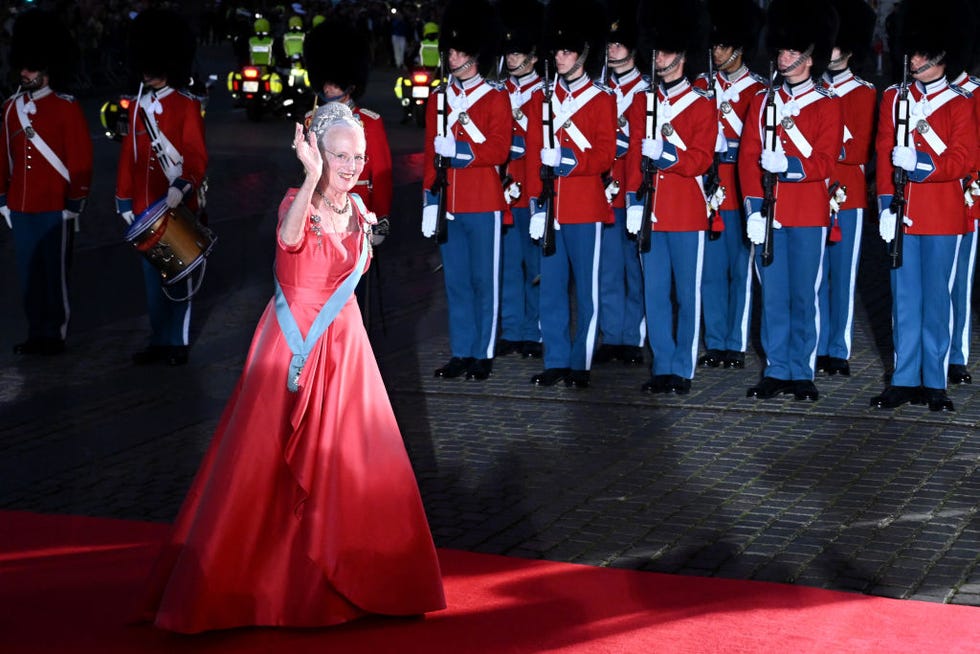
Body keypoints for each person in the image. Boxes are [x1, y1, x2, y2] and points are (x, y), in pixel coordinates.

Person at [135, 103, 445, 633]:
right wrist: (308, 179)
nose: (351, 167)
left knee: (356, 468)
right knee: (262, 469)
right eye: (340, 156)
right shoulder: (293, 203)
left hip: (347, 353)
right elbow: (288, 241)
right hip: (292, 345)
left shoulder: (360, 211)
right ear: (316, 153)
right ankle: (258, 587)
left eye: (359, 157)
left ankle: (366, 580)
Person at [870, 0, 977, 412]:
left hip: (942, 216)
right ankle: (902, 377)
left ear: (939, 54)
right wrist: (884, 205)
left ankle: (934, 380)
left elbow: (963, 158)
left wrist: (922, 164)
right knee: (903, 298)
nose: (912, 57)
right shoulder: (894, 99)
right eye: (910, 50)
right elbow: (883, 154)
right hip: (903, 213)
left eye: (919, 51)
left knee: (937, 300)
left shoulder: (959, 102)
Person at [738, 0, 842, 402]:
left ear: (809, 58)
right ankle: (776, 367)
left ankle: (802, 369)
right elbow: (748, 159)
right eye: (780, 50)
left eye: (790, 51)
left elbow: (826, 159)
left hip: (807, 213)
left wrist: (789, 165)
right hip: (770, 214)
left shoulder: (828, 103)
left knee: (803, 294)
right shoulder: (764, 101)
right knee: (773, 295)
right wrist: (754, 209)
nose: (782, 56)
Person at [524, 0, 616, 389]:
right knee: (552, 290)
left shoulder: (601, 98)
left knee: (588, 292)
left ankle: (581, 362)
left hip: (584, 206)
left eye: (567, 51)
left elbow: (605, 153)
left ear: (582, 54)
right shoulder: (541, 100)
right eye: (557, 51)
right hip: (551, 207)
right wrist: (534, 205)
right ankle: (557, 359)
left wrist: (568, 160)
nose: (559, 58)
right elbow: (531, 159)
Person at [624, 0, 715, 395]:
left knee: (687, 294)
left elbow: (701, 158)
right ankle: (662, 365)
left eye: (664, 51)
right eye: (655, 50)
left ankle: (683, 366)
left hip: (686, 211)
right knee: (654, 293)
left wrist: (668, 155)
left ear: (680, 54)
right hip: (651, 214)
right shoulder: (642, 103)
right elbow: (631, 160)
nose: (657, 57)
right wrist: (632, 201)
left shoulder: (701, 104)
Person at [422, 0, 510, 381]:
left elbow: (499, 148)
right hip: (448, 204)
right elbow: (429, 153)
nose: (451, 56)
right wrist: (428, 199)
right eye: (450, 50)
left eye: (457, 50)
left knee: (482, 280)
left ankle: (483, 352)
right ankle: (461, 350)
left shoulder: (494, 97)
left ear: (473, 55)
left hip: (482, 200)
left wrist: (459, 150)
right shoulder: (439, 98)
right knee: (455, 281)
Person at [116, 9, 207, 367]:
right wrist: (124, 199)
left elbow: (196, 157)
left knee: (177, 277)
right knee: (153, 283)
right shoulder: (138, 106)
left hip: (174, 204)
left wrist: (183, 186)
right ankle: (159, 339)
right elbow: (130, 156)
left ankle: (177, 341)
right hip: (144, 206)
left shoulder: (186, 105)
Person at [1, 10, 92, 356]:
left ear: (46, 69)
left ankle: (54, 334)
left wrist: (74, 203)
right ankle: (35, 330)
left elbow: (81, 160)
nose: (24, 73)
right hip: (21, 207)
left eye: (31, 67)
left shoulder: (66, 108)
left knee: (54, 277)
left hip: (55, 207)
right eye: (23, 67)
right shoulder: (11, 108)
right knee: (28, 276)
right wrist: (2, 199)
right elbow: (3, 157)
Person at [696, 0, 766, 371]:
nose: (717, 51)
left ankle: (735, 343)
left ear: (739, 48)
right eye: (715, 45)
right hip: (707, 188)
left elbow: (759, 144)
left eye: (724, 46)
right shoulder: (701, 85)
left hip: (739, 188)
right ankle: (716, 340)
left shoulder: (758, 90)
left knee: (740, 269)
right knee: (709, 270)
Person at [815, 0, 877, 378]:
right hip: (812, 191)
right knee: (816, 274)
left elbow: (856, 150)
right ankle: (818, 343)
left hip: (848, 193)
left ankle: (838, 348)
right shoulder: (813, 90)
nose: (833, 51)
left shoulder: (865, 93)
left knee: (843, 275)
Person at [594, 0, 647, 367]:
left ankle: (634, 335)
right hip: (603, 191)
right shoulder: (598, 90)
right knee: (608, 268)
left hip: (634, 191)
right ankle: (612, 335)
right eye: (609, 43)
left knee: (636, 268)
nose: (612, 49)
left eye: (619, 43)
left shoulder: (645, 89)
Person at [306, 16, 392, 232]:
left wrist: (381, 217)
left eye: (335, 84)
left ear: (349, 85)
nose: (327, 89)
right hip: (319, 208)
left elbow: (381, 176)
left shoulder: (369, 123)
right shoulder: (312, 120)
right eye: (325, 83)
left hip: (356, 208)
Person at [495, 0, 545, 359]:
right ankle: (512, 329)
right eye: (509, 51)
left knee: (536, 265)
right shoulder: (499, 92)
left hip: (533, 188)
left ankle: (535, 329)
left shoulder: (545, 93)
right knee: (509, 265)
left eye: (518, 51)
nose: (512, 58)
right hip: (503, 189)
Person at [947, 17, 980, 386]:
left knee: (960, 283)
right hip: (927, 201)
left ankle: (956, 356)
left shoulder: (974, 92)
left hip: (966, 198)